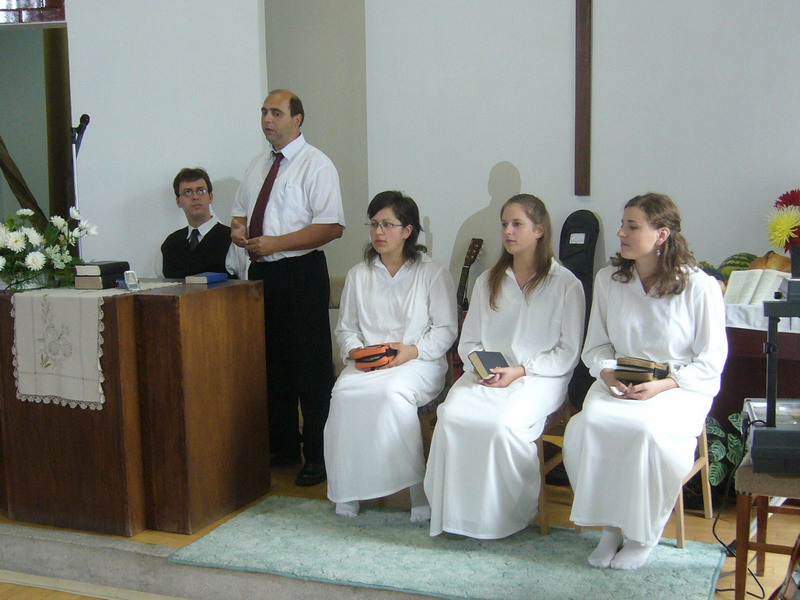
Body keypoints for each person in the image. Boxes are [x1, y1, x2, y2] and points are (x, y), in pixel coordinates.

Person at [562, 193, 727, 570]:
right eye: (623, 225)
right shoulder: (609, 279)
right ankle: (610, 528)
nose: (621, 233)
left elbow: (711, 361)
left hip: (679, 387)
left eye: (632, 226)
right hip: (620, 381)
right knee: (587, 427)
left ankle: (642, 534)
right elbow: (596, 346)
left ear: (661, 234)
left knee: (646, 431)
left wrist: (663, 384)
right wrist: (607, 372)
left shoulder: (698, 286)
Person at [424, 194, 585, 539]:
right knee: (451, 417)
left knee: (502, 424)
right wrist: (484, 368)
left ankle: (504, 514)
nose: (508, 232)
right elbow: (469, 342)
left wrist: (521, 371)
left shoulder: (566, 284)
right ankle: (456, 513)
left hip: (540, 378)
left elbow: (567, 352)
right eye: (504, 224)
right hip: (488, 375)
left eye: (517, 224)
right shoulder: (488, 280)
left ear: (539, 230)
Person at [231, 89, 345, 487]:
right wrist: (239, 231)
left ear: (297, 119)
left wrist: (277, 243)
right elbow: (239, 214)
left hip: (301, 272)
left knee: (310, 368)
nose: (267, 119)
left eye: (276, 113)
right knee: (271, 363)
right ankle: (282, 446)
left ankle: (318, 455)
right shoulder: (257, 164)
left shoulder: (316, 165)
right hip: (263, 274)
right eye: (264, 112)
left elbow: (332, 226)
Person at [324, 191, 457, 520]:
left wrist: (412, 350)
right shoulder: (359, 274)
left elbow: (445, 329)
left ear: (408, 230)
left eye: (387, 224)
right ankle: (350, 489)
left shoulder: (432, 272)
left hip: (418, 363)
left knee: (391, 394)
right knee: (342, 395)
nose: (379, 232)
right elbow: (346, 329)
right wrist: (356, 351)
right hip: (369, 364)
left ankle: (416, 491)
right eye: (374, 224)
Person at [161, 167, 232, 278]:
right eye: (187, 192)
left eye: (201, 191)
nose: (195, 197)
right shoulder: (170, 244)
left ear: (210, 197)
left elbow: (247, 283)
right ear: (178, 201)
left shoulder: (232, 239)